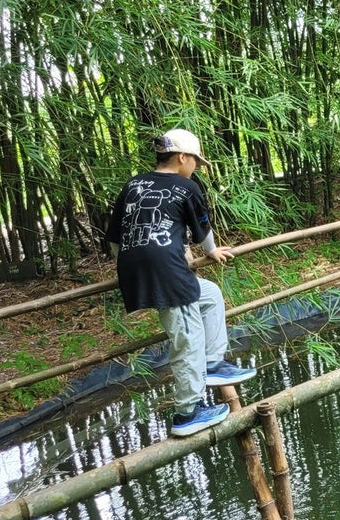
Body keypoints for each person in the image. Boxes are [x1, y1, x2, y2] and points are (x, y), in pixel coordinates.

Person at [105, 127, 256, 437]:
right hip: (167, 269)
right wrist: (212, 252)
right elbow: (202, 230)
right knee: (187, 335)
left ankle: (212, 364)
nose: (196, 168)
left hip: (131, 268)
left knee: (210, 294)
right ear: (182, 157)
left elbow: (115, 240)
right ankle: (188, 412)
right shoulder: (186, 187)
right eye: (195, 162)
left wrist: (136, 263)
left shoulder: (134, 184)